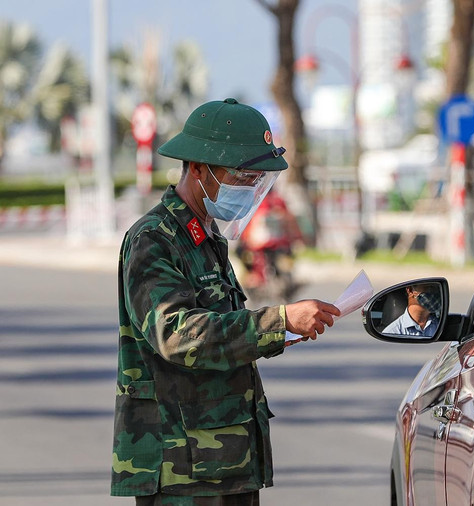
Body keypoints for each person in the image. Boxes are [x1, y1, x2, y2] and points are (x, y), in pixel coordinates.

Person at [111, 98, 340, 505]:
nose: (250, 188)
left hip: (224, 463)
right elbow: (177, 334)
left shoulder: (207, 236)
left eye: (257, 179)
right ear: (198, 168)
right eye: (241, 176)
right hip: (181, 471)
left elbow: (223, 332)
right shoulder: (154, 240)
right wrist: (278, 320)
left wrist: (280, 331)